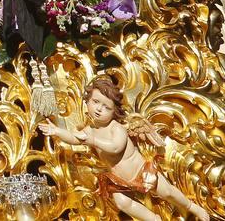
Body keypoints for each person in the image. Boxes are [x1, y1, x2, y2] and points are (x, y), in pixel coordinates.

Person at [39, 76, 211, 221]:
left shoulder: (116, 127)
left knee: (167, 192)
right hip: (119, 179)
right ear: (87, 101)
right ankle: (154, 219)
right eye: (95, 102)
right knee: (122, 202)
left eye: (106, 107)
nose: (99, 109)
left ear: (114, 111)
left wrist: (93, 140)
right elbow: (74, 139)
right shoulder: (90, 130)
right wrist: (57, 130)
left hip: (141, 171)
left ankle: (191, 207)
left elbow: (115, 147)